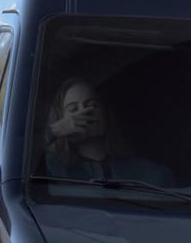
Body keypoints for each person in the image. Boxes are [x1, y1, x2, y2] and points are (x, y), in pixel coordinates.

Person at [46, 77, 174, 186]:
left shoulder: (149, 174)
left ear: (106, 113)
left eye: (92, 105)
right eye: (73, 109)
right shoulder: (52, 169)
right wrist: (54, 131)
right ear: (61, 120)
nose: (84, 112)